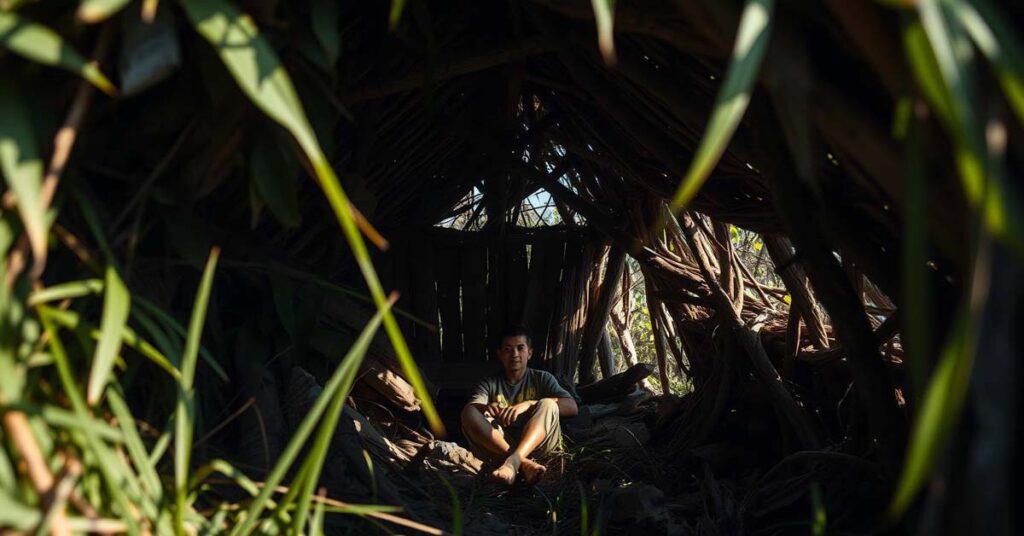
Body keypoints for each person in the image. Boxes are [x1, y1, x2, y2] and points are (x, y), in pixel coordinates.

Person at [460, 325, 578, 485]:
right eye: (508, 349)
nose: (514, 354)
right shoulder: (489, 383)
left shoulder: (542, 379)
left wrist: (529, 404)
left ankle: (513, 461)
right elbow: (474, 407)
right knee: (469, 411)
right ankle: (523, 463)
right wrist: (487, 408)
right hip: (499, 446)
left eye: (520, 348)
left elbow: (572, 407)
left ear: (529, 352)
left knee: (548, 404)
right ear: (500, 355)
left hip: (540, 447)